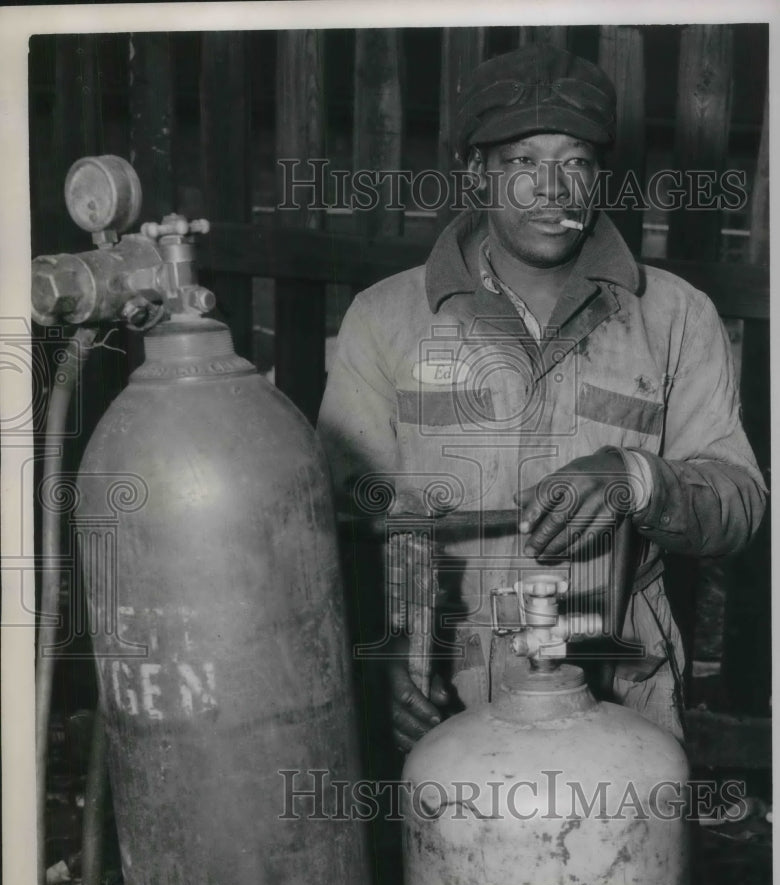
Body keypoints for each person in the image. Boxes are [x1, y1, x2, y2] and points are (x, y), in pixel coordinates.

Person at [317, 43, 766, 751]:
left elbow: (738, 506)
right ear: (476, 172)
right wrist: (371, 671)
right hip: (439, 696)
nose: (553, 187)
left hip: (619, 699)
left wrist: (637, 478)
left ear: (600, 175)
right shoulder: (386, 319)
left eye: (576, 161)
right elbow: (333, 531)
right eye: (523, 161)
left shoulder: (675, 316)